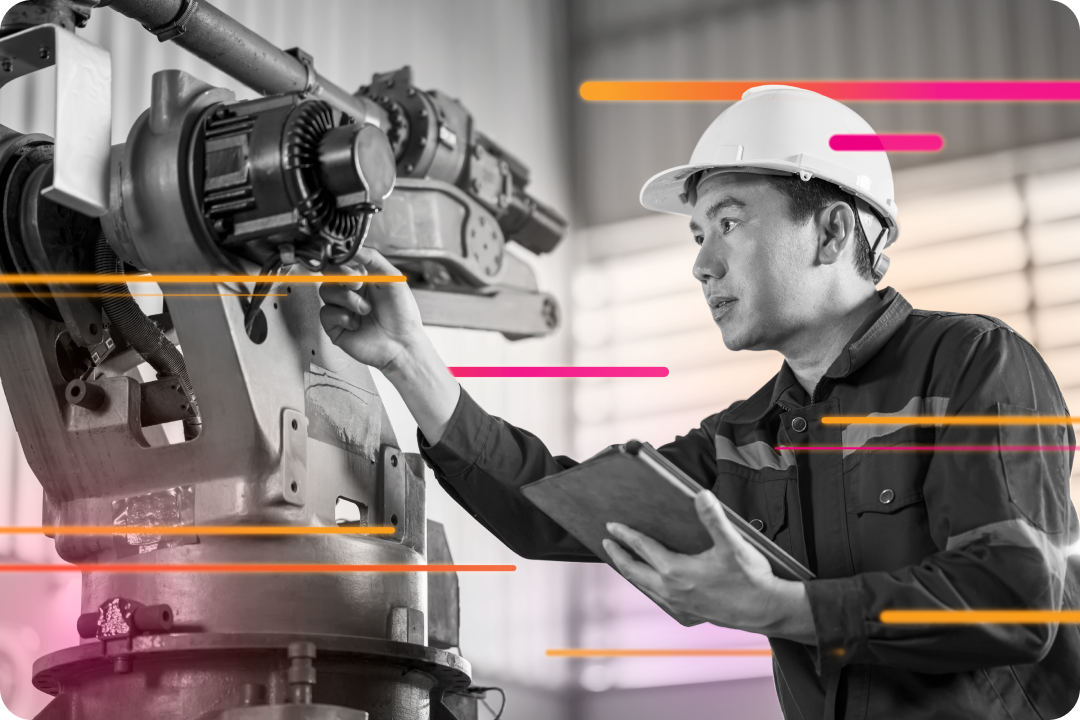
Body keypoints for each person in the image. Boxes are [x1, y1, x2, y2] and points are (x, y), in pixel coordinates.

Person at [320, 86, 1080, 719]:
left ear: (833, 230)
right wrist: (408, 360)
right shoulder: (746, 436)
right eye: (695, 233)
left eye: (729, 222)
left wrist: (783, 607)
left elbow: (1015, 598)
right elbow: (548, 507)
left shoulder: (974, 365)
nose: (701, 263)